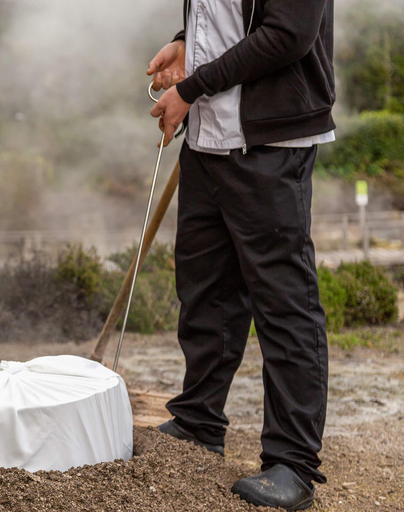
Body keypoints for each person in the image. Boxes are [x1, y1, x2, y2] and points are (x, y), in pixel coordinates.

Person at [146, 0, 334, 510]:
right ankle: (199, 421)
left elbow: (288, 34)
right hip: (207, 138)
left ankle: (293, 462)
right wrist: (186, 40)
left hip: (270, 140)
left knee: (283, 301)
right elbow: (224, 15)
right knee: (206, 289)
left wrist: (189, 88)